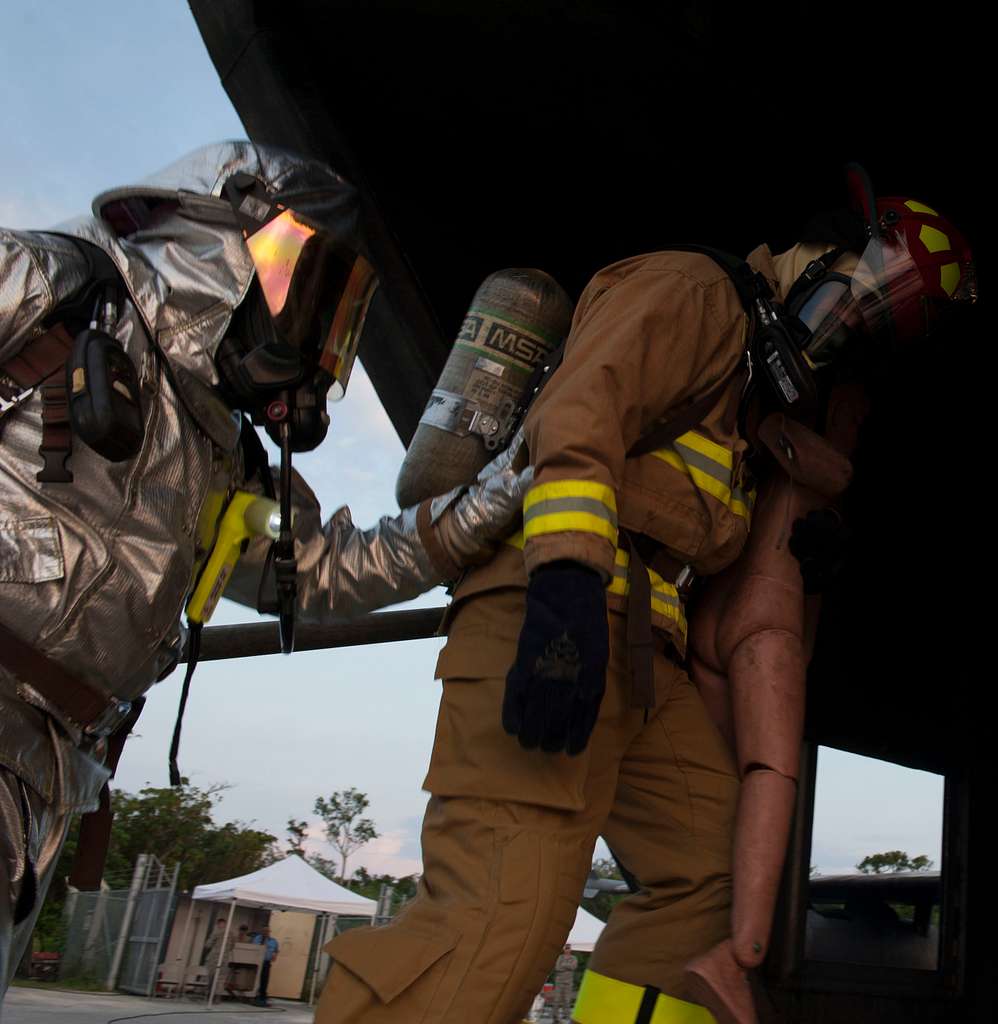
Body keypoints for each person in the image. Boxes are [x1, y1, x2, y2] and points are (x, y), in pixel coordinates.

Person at [314, 169, 975, 1023]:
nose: (850, 326)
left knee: (708, 873)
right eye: (862, 295)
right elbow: (579, 417)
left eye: (875, 326)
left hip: (641, 651)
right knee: (503, 921)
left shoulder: (747, 396)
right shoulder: (695, 291)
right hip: (551, 606)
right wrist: (563, 590)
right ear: (819, 248)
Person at [0, 140, 531, 1002]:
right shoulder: (42, 286)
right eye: (297, 276)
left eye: (335, 306)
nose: (313, 327)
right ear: (207, 241)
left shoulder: (225, 462)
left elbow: (319, 573)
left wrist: (484, 505)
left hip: (48, 780)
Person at [252, 925, 279, 1006]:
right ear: (262, 931)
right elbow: (253, 948)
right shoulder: (257, 939)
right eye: (264, 931)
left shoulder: (273, 941)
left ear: (269, 932)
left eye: (267, 931)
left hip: (266, 962)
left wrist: (274, 954)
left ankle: (262, 997)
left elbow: (276, 950)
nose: (266, 933)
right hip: (256, 962)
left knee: (264, 980)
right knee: (255, 979)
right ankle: (254, 995)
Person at [552, 944, 578, 1021]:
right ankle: (555, 1016)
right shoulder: (560, 957)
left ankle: (566, 1016)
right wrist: (567, 966)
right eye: (566, 948)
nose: (567, 950)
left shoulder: (573, 958)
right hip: (559, 981)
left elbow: (573, 967)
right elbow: (557, 967)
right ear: (564, 949)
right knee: (557, 1000)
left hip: (568, 982)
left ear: (570, 949)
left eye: (568, 948)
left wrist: (563, 965)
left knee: (567, 1000)